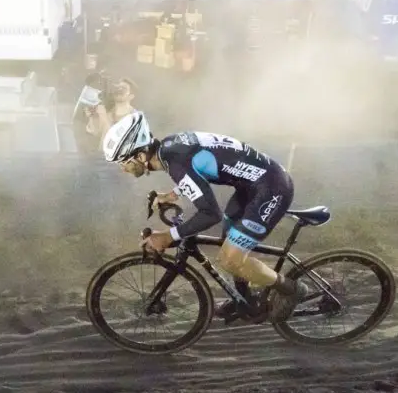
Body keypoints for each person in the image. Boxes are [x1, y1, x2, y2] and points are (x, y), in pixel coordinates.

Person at [101, 111, 309, 323]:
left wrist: (168, 236)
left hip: (272, 189)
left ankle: (291, 289)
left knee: (230, 258)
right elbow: (196, 168)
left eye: (123, 162)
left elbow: (210, 214)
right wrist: (172, 195)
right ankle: (245, 299)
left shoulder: (174, 162)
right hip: (253, 186)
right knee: (227, 241)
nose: (123, 169)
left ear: (141, 155)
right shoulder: (169, 146)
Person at [84, 77, 139, 151]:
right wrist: (93, 117)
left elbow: (120, 141)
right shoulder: (109, 113)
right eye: (117, 87)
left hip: (119, 160)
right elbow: (95, 132)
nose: (119, 90)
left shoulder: (135, 117)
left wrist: (104, 118)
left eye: (123, 88)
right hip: (101, 158)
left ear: (131, 96)